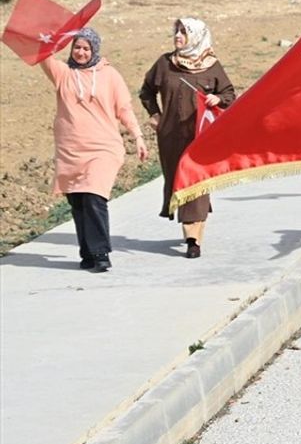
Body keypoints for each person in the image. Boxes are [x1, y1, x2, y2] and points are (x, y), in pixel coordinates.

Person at [36, 28, 147, 272]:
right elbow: (43, 55)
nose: (81, 52)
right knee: (77, 201)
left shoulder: (109, 75)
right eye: (77, 47)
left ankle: (101, 254)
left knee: (94, 196)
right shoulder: (63, 73)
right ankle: (87, 253)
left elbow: (124, 109)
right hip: (71, 150)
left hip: (103, 148)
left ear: (95, 50)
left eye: (86, 48)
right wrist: (54, 37)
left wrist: (138, 136)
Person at [139, 18, 235, 259]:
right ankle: (193, 227)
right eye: (177, 31)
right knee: (177, 181)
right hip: (170, 136)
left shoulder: (212, 66)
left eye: (184, 32)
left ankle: (193, 240)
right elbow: (147, 91)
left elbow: (229, 94)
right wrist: (155, 115)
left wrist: (217, 99)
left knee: (195, 182)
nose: (178, 36)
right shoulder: (165, 63)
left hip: (200, 137)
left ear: (197, 36)